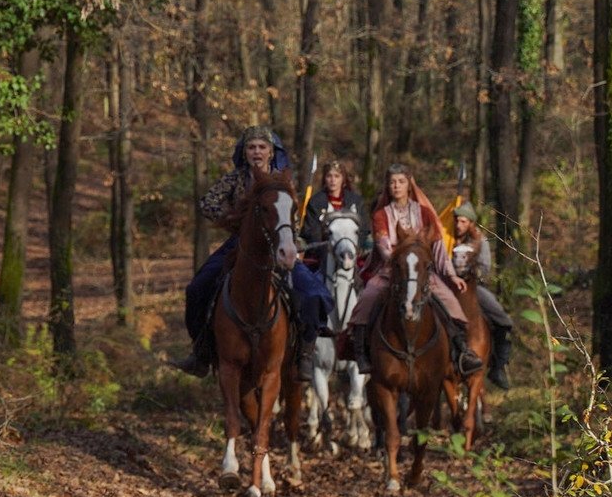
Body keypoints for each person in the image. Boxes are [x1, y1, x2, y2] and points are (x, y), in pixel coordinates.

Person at [179, 127, 332, 375]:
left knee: (315, 293)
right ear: (245, 152)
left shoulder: (282, 180)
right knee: (197, 288)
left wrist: (294, 239)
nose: (257, 152)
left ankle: (305, 350)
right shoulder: (235, 179)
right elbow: (207, 203)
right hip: (240, 244)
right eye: (251, 147)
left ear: (271, 152)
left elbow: (291, 217)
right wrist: (231, 218)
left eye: (262, 147)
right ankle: (201, 352)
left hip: (278, 245)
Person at [346, 163, 483, 377]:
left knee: (451, 303)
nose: (396, 186)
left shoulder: (425, 213)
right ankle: (361, 351)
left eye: (401, 181)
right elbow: (383, 245)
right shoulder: (381, 215)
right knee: (368, 297)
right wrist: (400, 262)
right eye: (392, 182)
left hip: (422, 273)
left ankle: (462, 351)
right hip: (391, 270)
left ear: (409, 184)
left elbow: (438, 248)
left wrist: (451, 275)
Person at [449, 205, 513, 388]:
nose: (458, 225)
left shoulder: (480, 240)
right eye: (457, 221)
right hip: (449, 286)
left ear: (470, 223)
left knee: (503, 320)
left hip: (474, 287)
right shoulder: (448, 239)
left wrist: (470, 272)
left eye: (463, 221)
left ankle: (498, 367)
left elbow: (485, 268)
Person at [299, 158, 367, 271]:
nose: (332, 180)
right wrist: (328, 250)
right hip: (319, 258)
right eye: (329, 176)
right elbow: (311, 231)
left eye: (337, 176)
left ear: (343, 179)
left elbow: (363, 229)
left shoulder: (356, 201)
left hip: (350, 254)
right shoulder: (316, 202)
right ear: (324, 178)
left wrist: (354, 247)